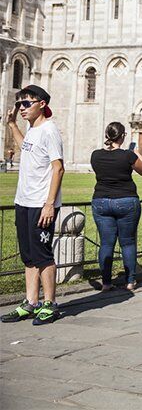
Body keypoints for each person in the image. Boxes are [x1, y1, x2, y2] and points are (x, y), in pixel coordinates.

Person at [1, 85, 64, 325]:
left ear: (42, 104)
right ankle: (30, 302)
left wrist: (49, 204)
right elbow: (25, 146)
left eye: (26, 104)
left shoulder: (49, 130)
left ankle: (50, 303)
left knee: (42, 254)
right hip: (24, 200)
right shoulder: (32, 129)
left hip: (41, 203)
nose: (22, 108)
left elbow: (58, 168)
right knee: (28, 256)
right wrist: (12, 124)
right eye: (19, 104)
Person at [90, 122, 142, 292]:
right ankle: (130, 281)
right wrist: (136, 153)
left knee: (106, 244)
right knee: (128, 243)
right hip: (126, 201)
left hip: (101, 201)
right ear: (122, 136)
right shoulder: (128, 156)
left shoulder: (95, 155)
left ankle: (106, 282)